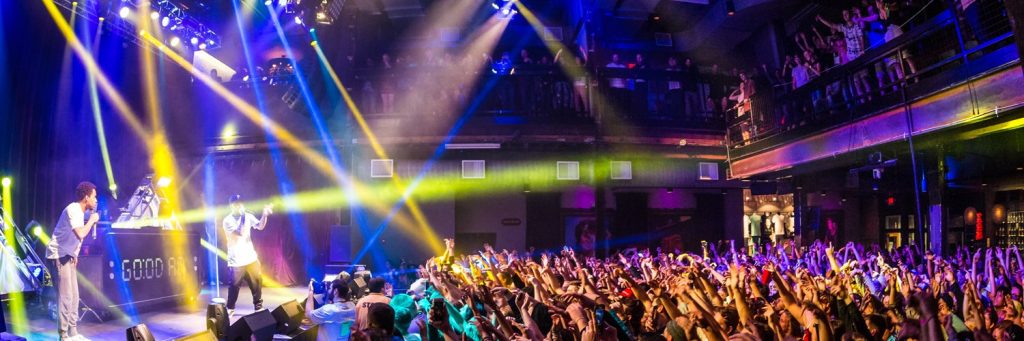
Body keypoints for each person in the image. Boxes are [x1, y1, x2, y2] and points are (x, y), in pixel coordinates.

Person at [46, 181, 100, 341]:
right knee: (66, 297)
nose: (96, 200)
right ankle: (63, 336)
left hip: (68, 255)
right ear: (86, 197)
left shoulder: (81, 212)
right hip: (58, 255)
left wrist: (75, 254)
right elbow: (80, 234)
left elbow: (73, 238)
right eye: (94, 197)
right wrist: (92, 220)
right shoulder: (73, 210)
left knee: (75, 296)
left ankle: (73, 332)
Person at [222, 194, 273, 313]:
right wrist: (244, 215)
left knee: (256, 283)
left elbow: (260, 226)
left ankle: (258, 307)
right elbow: (239, 232)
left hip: (250, 258)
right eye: (236, 204)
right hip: (236, 261)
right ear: (231, 206)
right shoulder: (227, 221)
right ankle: (230, 308)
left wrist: (264, 215)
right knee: (234, 286)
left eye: (241, 203)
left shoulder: (248, 216)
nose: (239, 206)